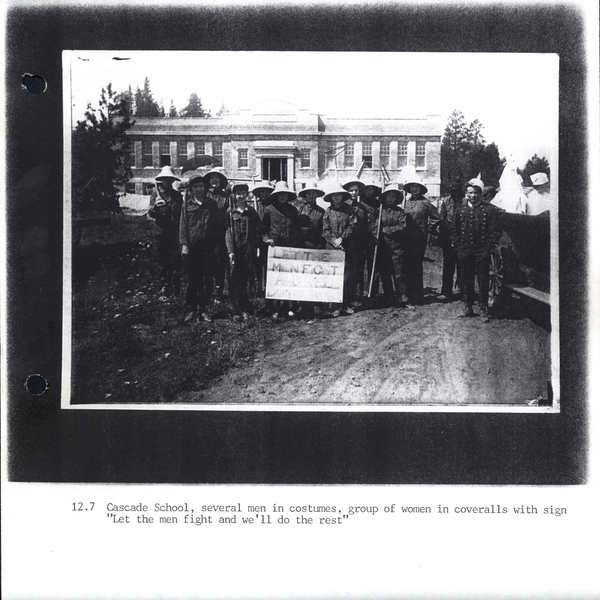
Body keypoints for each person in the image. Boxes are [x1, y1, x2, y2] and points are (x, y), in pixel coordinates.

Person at [451, 177, 502, 322]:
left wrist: (488, 246)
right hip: (464, 249)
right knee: (465, 277)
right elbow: (454, 230)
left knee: (483, 278)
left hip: (482, 250)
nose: (473, 196)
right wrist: (458, 244)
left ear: (480, 194)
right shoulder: (460, 210)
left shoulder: (489, 210)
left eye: (475, 193)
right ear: (466, 194)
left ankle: (484, 308)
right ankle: (467, 306)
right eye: (470, 193)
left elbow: (495, 231)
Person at [179, 172, 221, 323]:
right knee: (192, 278)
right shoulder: (186, 205)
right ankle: (191, 309)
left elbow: (216, 226)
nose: (198, 189)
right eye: (195, 186)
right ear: (191, 189)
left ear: (205, 187)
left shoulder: (211, 204)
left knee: (206, 279)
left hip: (207, 247)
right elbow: (183, 225)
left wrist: (215, 245)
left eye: (201, 186)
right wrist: (184, 244)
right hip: (192, 247)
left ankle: (203, 310)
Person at [262, 180, 304, 319]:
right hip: (274, 249)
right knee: (274, 278)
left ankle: (287, 307)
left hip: (289, 248)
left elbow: (297, 229)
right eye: (280, 194)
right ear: (275, 196)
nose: (282, 197)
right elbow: (262, 229)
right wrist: (267, 239)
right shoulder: (269, 209)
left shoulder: (293, 210)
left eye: (285, 195)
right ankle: (273, 308)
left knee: (287, 278)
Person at [226, 183, 262, 320]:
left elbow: (257, 231)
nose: (241, 196)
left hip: (248, 249)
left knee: (247, 278)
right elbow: (227, 233)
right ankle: (236, 310)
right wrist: (230, 251)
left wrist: (257, 246)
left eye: (243, 193)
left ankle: (246, 308)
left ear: (247, 195)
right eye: (238, 193)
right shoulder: (230, 212)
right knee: (235, 279)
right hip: (236, 251)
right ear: (234, 196)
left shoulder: (251, 212)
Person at [322, 181, 359, 317]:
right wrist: (333, 241)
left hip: (347, 247)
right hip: (332, 248)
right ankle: (334, 306)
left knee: (347, 276)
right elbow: (325, 230)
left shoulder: (350, 210)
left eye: (339, 195)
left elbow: (352, 226)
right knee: (333, 277)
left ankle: (345, 304)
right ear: (331, 197)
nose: (337, 198)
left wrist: (342, 238)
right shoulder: (328, 212)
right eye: (334, 195)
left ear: (342, 196)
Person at [402, 178, 441, 305]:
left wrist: (428, 228)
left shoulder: (426, 203)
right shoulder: (407, 202)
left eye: (417, 187)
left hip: (419, 238)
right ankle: (408, 293)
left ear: (421, 189)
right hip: (407, 237)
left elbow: (436, 218)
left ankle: (418, 295)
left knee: (416, 265)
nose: (414, 189)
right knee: (407, 265)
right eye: (412, 187)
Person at [147, 166, 183, 297]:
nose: (167, 181)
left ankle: (175, 288)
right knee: (161, 261)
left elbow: (180, 214)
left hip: (174, 233)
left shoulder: (177, 196)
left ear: (173, 180)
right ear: (161, 180)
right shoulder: (155, 194)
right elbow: (151, 214)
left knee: (174, 262)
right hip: (160, 233)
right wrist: (156, 207)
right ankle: (163, 287)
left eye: (170, 179)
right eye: (165, 179)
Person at [297, 181, 326, 318]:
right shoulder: (298, 209)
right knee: (302, 276)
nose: (311, 195)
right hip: (301, 246)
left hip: (316, 246)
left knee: (315, 276)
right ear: (305, 195)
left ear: (316, 195)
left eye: (313, 193)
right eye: (308, 193)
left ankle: (316, 305)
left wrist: (320, 245)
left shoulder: (321, 211)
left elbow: (323, 230)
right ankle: (303, 305)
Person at [376, 183, 407, 307]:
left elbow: (402, 226)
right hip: (382, 246)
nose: (391, 199)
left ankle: (402, 296)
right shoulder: (379, 211)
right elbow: (375, 226)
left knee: (399, 273)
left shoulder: (400, 212)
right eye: (389, 196)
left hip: (396, 246)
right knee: (385, 272)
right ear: (385, 197)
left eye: (393, 196)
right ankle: (389, 295)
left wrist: (388, 230)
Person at [203, 168, 230, 303]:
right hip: (205, 234)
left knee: (219, 262)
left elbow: (228, 213)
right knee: (207, 264)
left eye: (217, 178)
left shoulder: (225, 197)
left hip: (220, 234)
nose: (214, 180)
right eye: (212, 178)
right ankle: (207, 291)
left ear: (221, 181)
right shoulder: (204, 195)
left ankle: (219, 292)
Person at [343, 178, 370, 305]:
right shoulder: (342, 207)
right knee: (346, 272)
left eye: (356, 190)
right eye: (351, 191)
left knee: (358, 271)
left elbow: (365, 227)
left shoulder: (362, 209)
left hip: (358, 244)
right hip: (345, 243)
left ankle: (357, 296)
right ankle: (344, 297)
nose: (353, 193)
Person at [438, 177, 464, 301]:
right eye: (452, 187)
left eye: (456, 187)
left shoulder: (465, 201)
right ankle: (446, 291)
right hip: (449, 238)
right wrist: (443, 237)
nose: (454, 189)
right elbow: (442, 219)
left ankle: (464, 291)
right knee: (448, 265)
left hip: (463, 237)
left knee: (463, 265)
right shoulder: (446, 201)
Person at [249, 180, 274, 298]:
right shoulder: (255, 205)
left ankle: (268, 287)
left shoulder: (272, 206)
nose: (264, 194)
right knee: (257, 265)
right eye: (262, 192)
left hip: (269, 239)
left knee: (268, 264)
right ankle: (258, 288)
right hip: (256, 240)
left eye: (267, 192)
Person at [362, 182, 382, 297]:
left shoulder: (378, 204)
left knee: (374, 264)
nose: (369, 192)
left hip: (373, 237)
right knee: (361, 266)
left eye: (371, 189)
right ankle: (361, 291)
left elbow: (378, 221)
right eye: (367, 189)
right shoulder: (359, 202)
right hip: (361, 238)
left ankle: (372, 291)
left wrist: (375, 234)